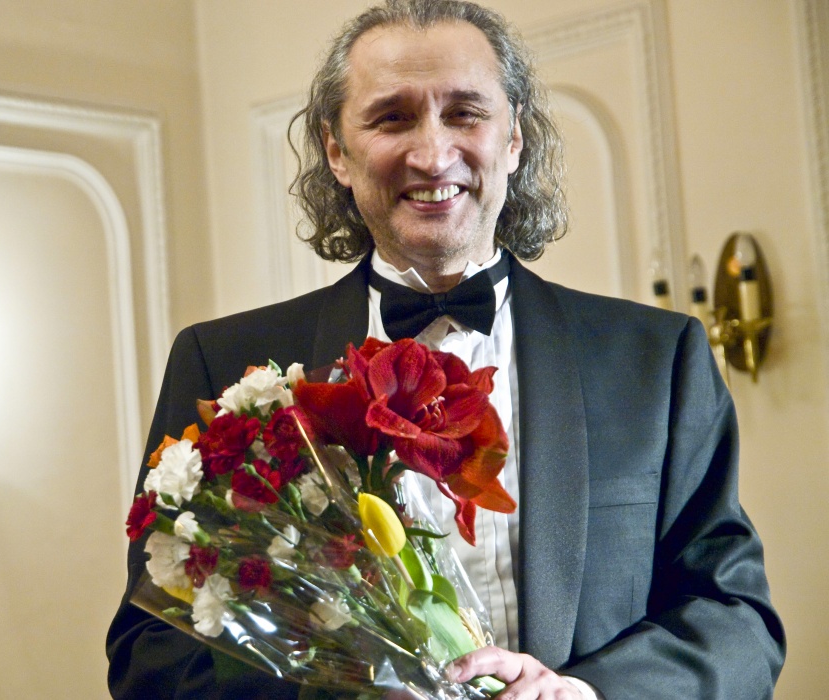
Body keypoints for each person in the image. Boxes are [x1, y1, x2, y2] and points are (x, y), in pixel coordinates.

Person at [106, 1, 786, 697]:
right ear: (336, 151)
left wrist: (587, 694)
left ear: (514, 137)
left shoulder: (658, 359)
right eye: (391, 118)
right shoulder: (225, 362)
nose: (432, 156)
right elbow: (152, 655)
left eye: (465, 113)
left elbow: (737, 622)